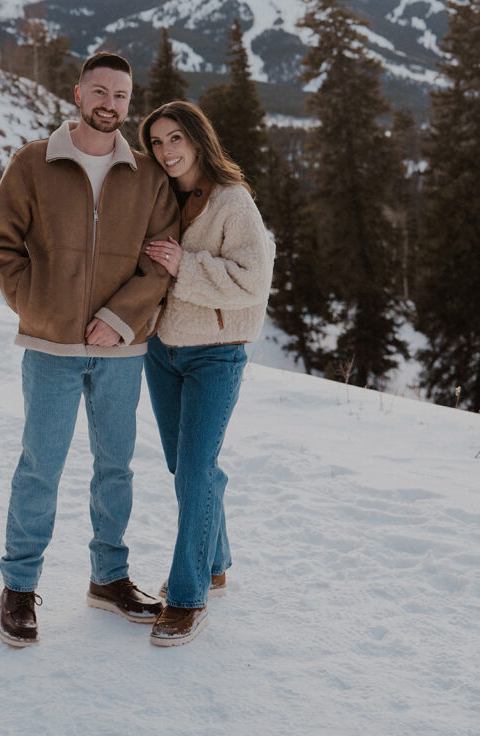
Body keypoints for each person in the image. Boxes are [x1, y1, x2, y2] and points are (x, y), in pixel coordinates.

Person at [0, 52, 179, 647]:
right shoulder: (34, 163)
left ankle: (109, 578)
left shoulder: (147, 175)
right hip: (50, 346)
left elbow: (161, 257)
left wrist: (120, 319)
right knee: (40, 465)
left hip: (121, 351)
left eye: (121, 95)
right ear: (76, 93)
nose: (110, 104)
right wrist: (39, 307)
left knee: (115, 466)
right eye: (100, 92)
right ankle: (18, 586)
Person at [138, 100, 275, 647]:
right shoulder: (160, 195)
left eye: (176, 139)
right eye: (156, 143)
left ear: (197, 139)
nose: (166, 151)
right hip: (161, 351)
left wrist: (183, 267)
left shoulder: (233, 202)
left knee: (195, 473)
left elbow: (252, 282)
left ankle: (190, 596)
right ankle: (214, 560)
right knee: (188, 468)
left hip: (215, 354)